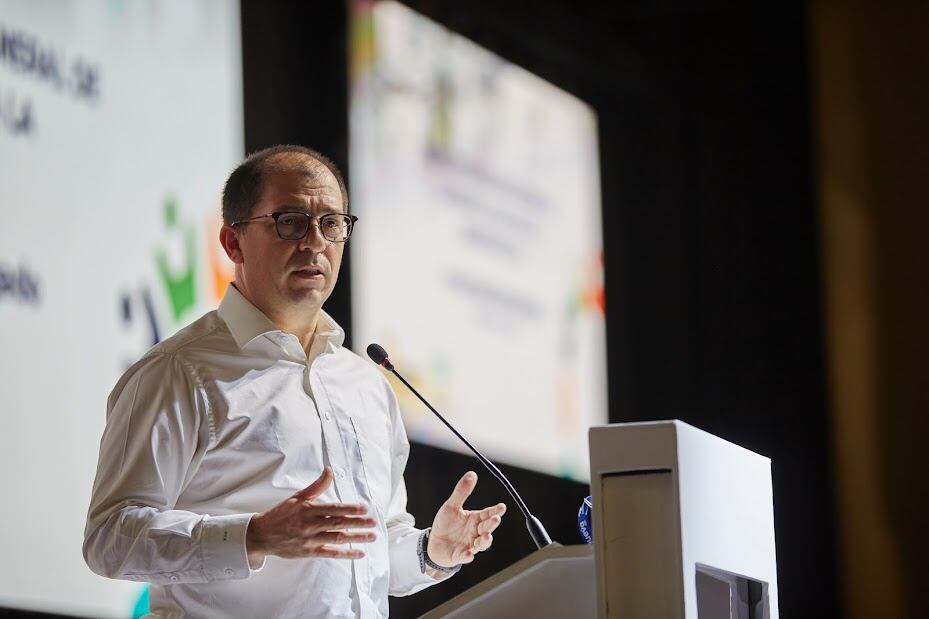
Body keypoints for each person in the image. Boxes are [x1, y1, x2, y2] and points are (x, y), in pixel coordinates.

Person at [83, 145, 506, 618]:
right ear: (232, 243)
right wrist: (254, 536)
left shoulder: (367, 386)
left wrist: (431, 551)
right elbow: (110, 538)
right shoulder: (178, 373)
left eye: (331, 224)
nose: (314, 243)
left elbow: (373, 554)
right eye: (290, 221)